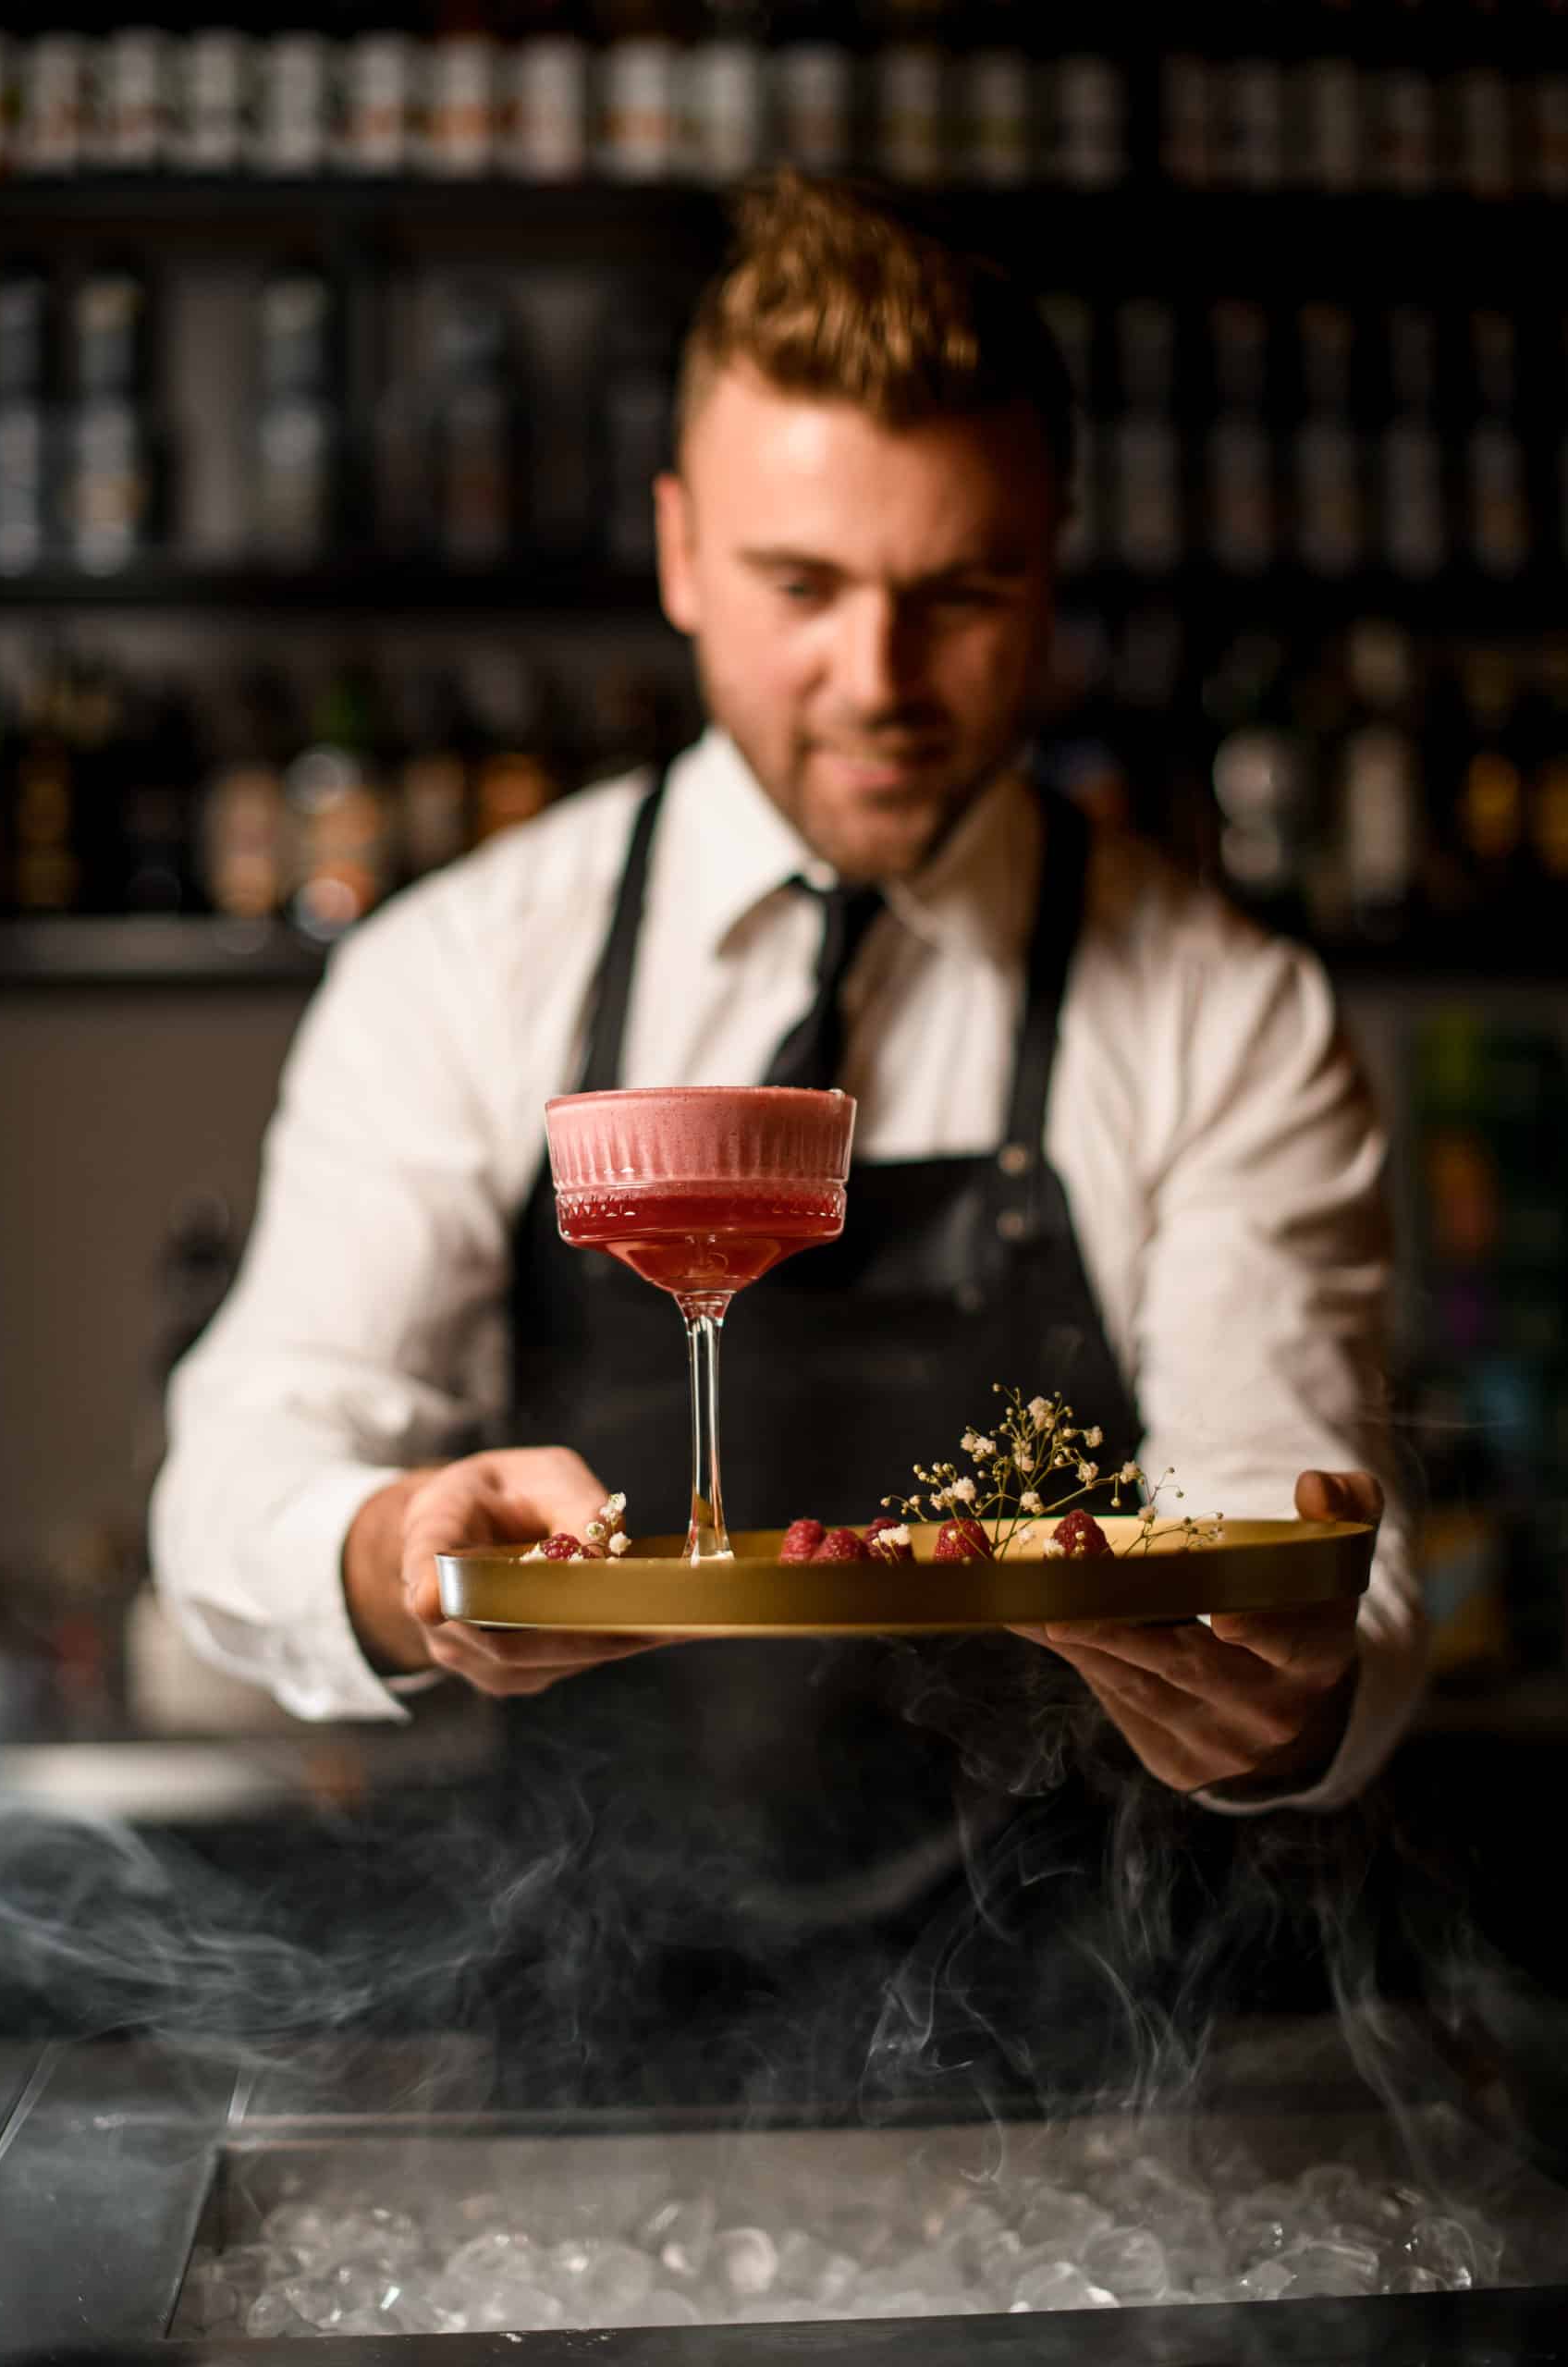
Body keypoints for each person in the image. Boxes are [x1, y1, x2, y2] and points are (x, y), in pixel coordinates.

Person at [151, 174, 1423, 2096]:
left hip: (1075, 2054)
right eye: (800, 587)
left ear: (1051, 562)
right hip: (582, 2030)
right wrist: (392, 1543)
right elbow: (239, 1469)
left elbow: (1300, 1497)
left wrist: (1290, 1681)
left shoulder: (1225, 1012)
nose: (879, 682)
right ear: (676, 551)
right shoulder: (462, 972)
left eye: (961, 592)